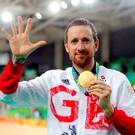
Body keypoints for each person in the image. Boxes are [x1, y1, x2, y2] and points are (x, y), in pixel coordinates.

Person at [0, 16, 135, 135]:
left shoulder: (117, 81)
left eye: (86, 40)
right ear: (66, 47)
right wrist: (17, 61)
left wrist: (110, 110)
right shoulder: (51, 80)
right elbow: (7, 96)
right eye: (74, 41)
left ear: (96, 44)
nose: (80, 47)